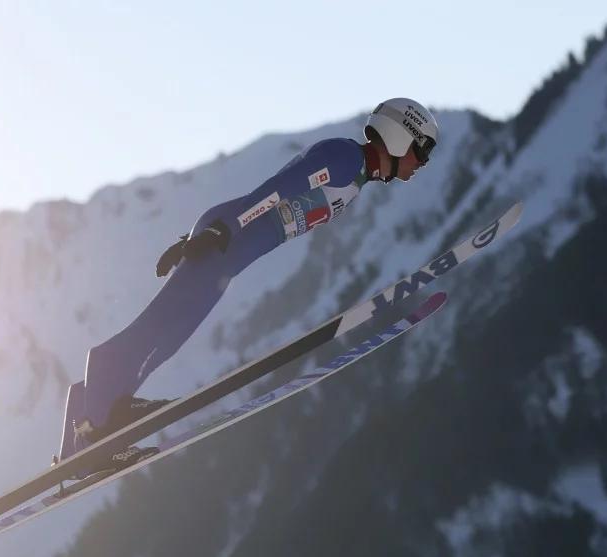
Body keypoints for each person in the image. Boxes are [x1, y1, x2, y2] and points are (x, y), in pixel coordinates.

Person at [54, 98, 440, 475]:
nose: (419, 165)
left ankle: (100, 415)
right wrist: (225, 229)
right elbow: (278, 190)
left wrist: (223, 229)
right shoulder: (345, 158)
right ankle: (95, 431)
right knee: (158, 328)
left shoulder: (356, 173)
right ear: (398, 136)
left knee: (169, 336)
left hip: (230, 244)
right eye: (420, 153)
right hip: (227, 241)